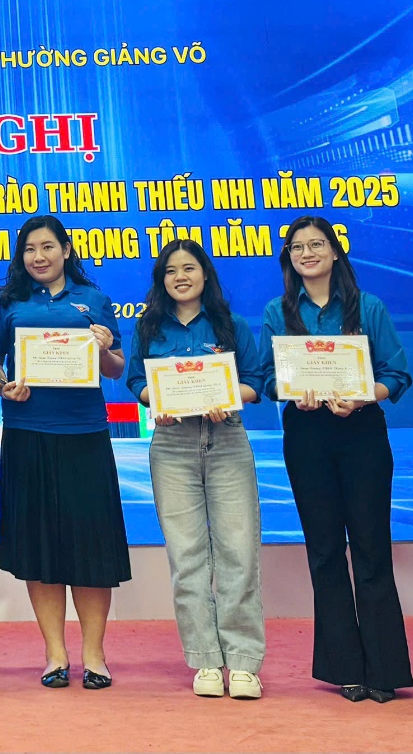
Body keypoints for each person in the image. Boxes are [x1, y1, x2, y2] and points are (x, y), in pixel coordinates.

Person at [259, 215, 413, 703]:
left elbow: (397, 373)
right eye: (297, 247)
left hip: (362, 432)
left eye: (316, 244)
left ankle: (384, 669)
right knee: (325, 551)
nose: (307, 253)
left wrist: (366, 394)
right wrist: (292, 392)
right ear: (289, 258)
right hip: (307, 436)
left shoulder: (368, 306)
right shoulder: (277, 312)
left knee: (371, 548)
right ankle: (344, 667)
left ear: (334, 251)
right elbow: (268, 379)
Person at [0, 215, 128, 690]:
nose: (39, 257)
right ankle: (54, 654)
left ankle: (94, 654)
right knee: (40, 547)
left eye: (48, 246)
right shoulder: (8, 302)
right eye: (30, 249)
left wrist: (104, 348)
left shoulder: (93, 300)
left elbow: (115, 369)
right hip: (27, 432)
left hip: (85, 434)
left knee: (91, 547)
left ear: (66, 250)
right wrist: (2, 386)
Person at [127, 239, 265, 699]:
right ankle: (205, 659)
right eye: (170, 271)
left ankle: (243, 662)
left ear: (205, 274)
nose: (180, 277)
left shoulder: (230, 324)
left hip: (227, 440)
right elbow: (136, 380)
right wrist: (155, 401)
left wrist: (226, 398)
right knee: (187, 559)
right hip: (171, 445)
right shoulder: (149, 327)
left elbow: (255, 381)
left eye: (189, 268)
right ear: (161, 280)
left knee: (238, 554)